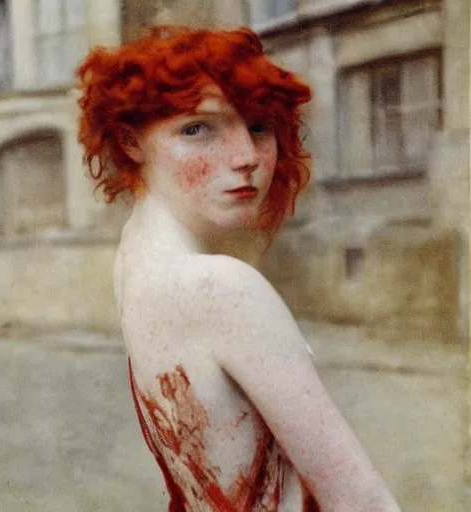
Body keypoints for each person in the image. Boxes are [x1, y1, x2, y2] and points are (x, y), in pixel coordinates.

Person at [77, 26, 400, 511]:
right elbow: (361, 500)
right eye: (196, 128)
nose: (246, 158)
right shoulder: (222, 287)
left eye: (258, 127)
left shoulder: (136, 257)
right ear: (130, 141)